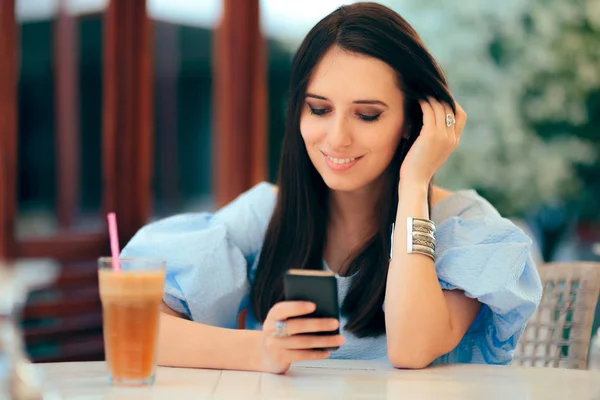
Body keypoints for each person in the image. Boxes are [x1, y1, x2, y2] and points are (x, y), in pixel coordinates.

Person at [121, 2, 542, 374]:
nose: (336, 137)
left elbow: (411, 350)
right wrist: (263, 351)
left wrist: (413, 185)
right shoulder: (267, 215)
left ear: (413, 122)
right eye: (319, 109)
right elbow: (136, 326)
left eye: (368, 115)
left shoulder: (464, 227)